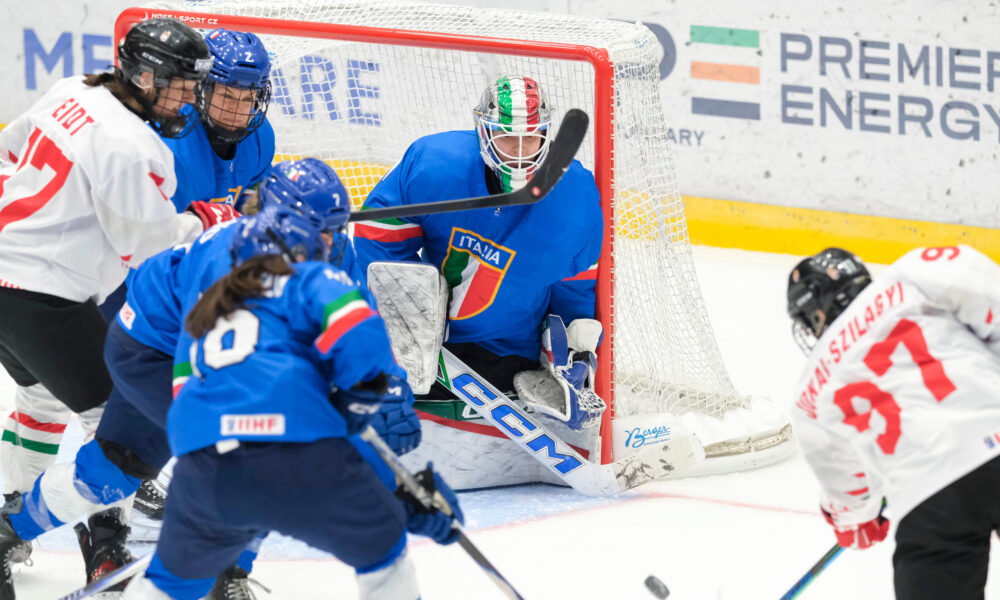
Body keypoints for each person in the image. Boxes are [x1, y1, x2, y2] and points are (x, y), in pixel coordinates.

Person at [0, 26, 276, 563]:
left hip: (13, 277)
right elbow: (147, 244)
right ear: (145, 78)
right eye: (183, 87)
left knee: (41, 399)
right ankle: (98, 541)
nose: (190, 99)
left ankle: (16, 517)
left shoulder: (73, 89)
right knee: (120, 435)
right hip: (47, 297)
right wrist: (209, 219)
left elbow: (10, 151)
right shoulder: (134, 144)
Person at [119, 198, 461, 600]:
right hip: (303, 464)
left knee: (169, 583)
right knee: (384, 554)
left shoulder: (208, 306)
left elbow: (186, 406)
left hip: (205, 471)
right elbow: (360, 342)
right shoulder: (312, 280)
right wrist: (393, 481)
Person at [353, 74, 604, 486]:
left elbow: (574, 285)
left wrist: (568, 351)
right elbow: (380, 236)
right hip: (428, 340)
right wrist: (397, 317)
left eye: (532, 139)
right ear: (483, 133)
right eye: (507, 139)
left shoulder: (575, 195)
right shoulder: (435, 164)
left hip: (507, 346)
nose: (521, 154)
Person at [786, 245, 1000, 600]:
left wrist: (859, 523)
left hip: (929, 497)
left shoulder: (811, 390)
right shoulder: (916, 273)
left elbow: (851, 499)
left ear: (816, 314)